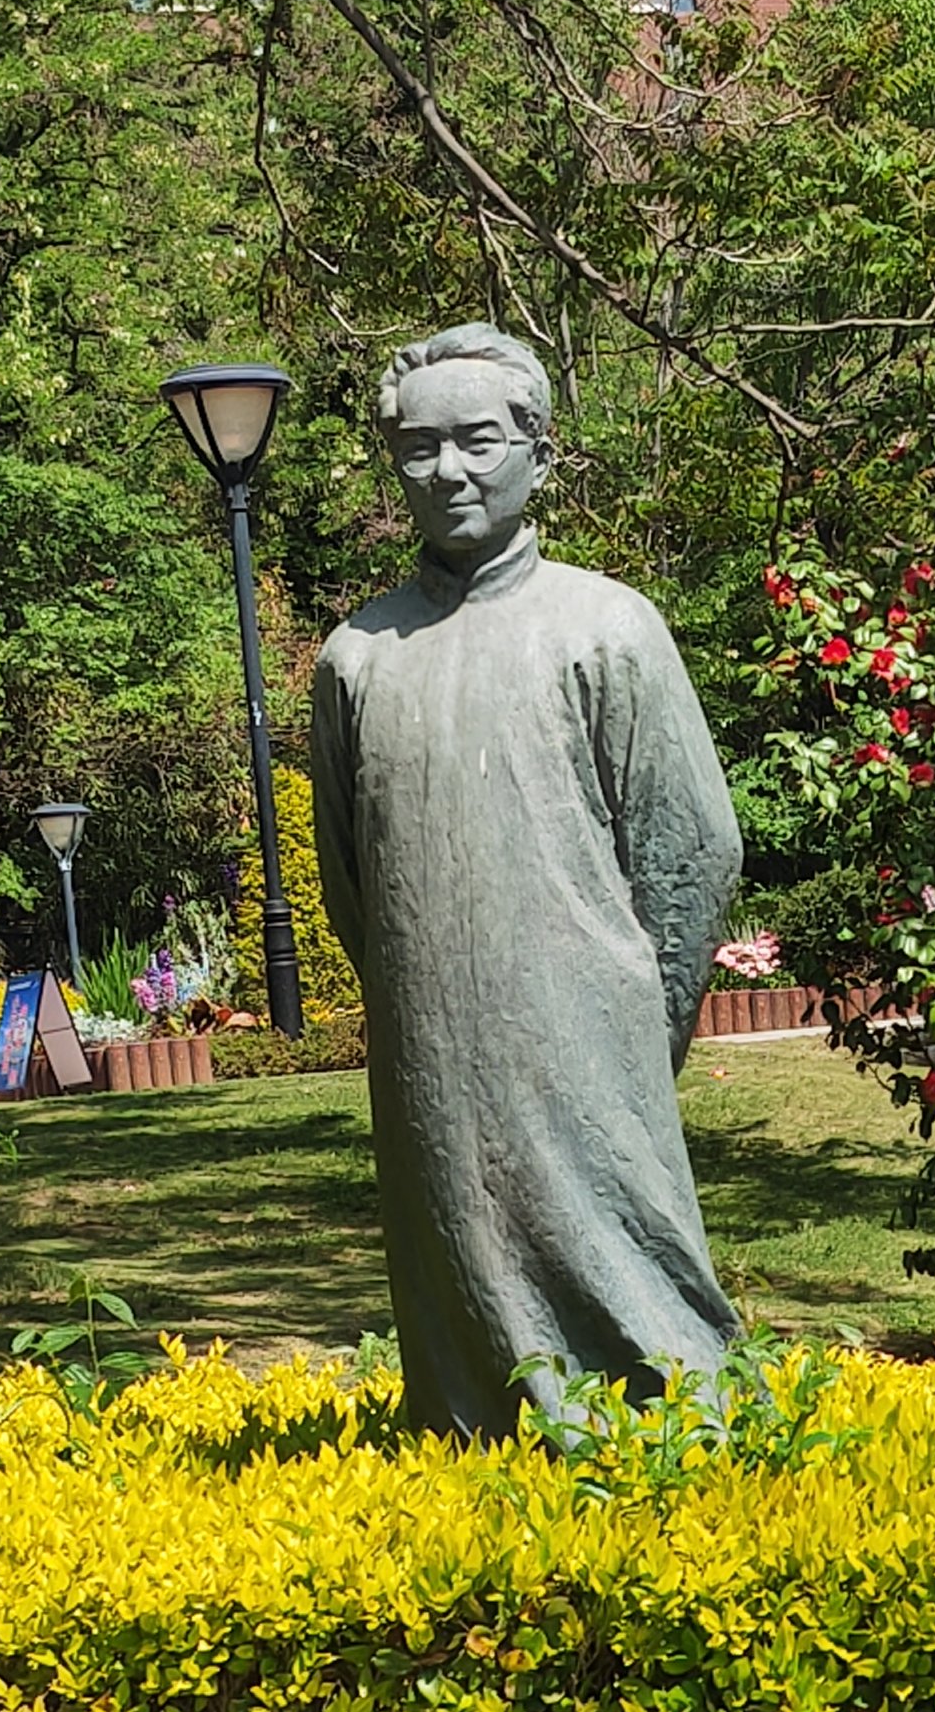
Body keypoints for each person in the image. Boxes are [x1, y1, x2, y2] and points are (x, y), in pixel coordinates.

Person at [310, 323, 742, 1439]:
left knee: (623, 1261)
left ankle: (678, 1433)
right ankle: (472, 1432)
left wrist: (636, 1026)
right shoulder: (357, 657)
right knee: (457, 1250)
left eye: (478, 441)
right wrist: (429, 997)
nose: (445, 470)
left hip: (590, 1033)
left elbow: (690, 852)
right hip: (432, 1052)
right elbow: (354, 885)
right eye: (416, 448)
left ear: (539, 455)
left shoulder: (606, 629)